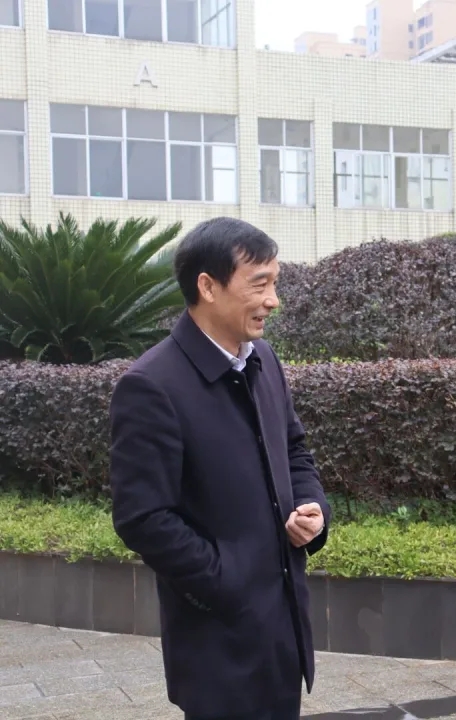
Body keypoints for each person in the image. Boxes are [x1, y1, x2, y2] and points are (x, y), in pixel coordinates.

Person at [109, 217, 331, 720]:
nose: (273, 300)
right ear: (207, 287)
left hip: (282, 632)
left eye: (275, 283)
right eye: (260, 284)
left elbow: (294, 450)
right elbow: (142, 518)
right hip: (218, 645)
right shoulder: (151, 385)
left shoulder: (263, 360)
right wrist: (228, 580)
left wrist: (311, 507)